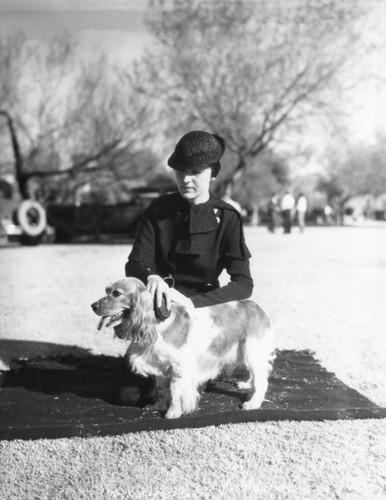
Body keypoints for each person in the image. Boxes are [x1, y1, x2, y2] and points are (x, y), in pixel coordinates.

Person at [119, 130, 254, 406]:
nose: (186, 179)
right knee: (134, 387)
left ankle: (206, 368)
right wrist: (151, 275)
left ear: (212, 173)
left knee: (186, 379)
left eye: (195, 171)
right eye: (180, 171)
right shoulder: (158, 210)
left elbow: (243, 283)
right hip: (159, 308)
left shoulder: (228, 217)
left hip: (202, 313)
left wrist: (193, 302)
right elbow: (134, 264)